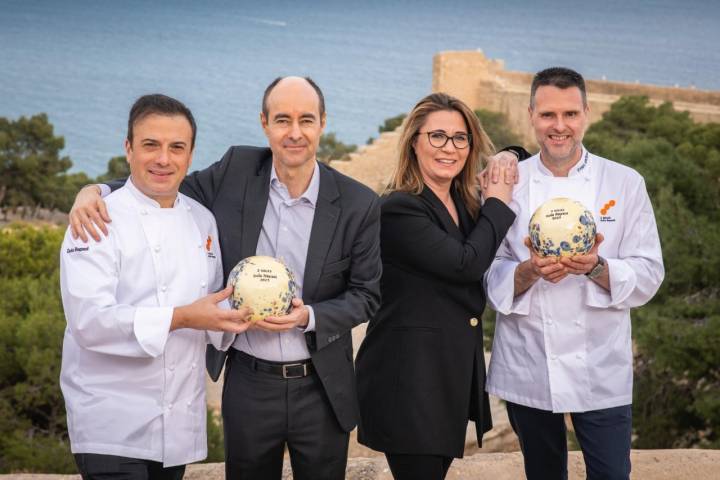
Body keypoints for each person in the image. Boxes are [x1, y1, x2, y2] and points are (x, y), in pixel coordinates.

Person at [67, 77, 382, 480]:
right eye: (282, 120)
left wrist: (310, 316)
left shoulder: (358, 202)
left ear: (323, 123)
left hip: (320, 386)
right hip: (248, 383)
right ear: (264, 123)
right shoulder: (237, 169)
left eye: (306, 120)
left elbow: (367, 295)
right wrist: (94, 189)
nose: (295, 132)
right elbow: (164, 181)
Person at [485, 67, 665, 480]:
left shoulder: (625, 182)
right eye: (548, 115)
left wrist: (598, 268)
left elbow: (650, 272)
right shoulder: (506, 184)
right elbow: (486, 270)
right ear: (531, 115)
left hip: (601, 366)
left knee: (611, 474)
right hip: (528, 361)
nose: (559, 126)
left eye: (570, 114)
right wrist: (528, 272)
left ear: (587, 113)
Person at [60, 94, 252, 479]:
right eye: (151, 145)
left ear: (191, 154)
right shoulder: (96, 218)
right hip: (110, 425)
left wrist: (256, 314)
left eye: (176, 147)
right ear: (128, 148)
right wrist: (182, 318)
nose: (164, 159)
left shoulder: (202, 221)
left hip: (176, 428)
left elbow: (213, 311)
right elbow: (89, 321)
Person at [355, 92, 520, 480]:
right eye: (438, 137)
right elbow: (466, 264)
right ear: (414, 142)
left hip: (445, 379)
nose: (450, 148)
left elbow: (522, 155)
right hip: (407, 384)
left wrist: (508, 155)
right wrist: (498, 202)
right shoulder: (399, 208)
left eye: (460, 138)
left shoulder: (462, 203)